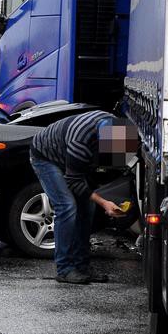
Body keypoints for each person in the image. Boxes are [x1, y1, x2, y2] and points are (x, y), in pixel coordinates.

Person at [29, 111, 139, 284]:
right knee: (67, 206)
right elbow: (74, 182)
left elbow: (100, 170)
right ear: (101, 142)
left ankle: (82, 267)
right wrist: (104, 202)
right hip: (46, 157)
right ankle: (64, 269)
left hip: (71, 156)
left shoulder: (115, 126)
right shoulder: (80, 143)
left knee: (88, 208)